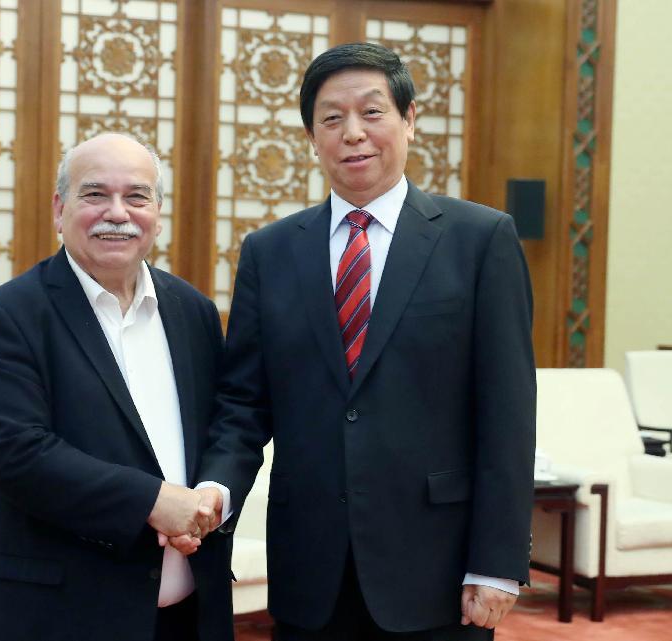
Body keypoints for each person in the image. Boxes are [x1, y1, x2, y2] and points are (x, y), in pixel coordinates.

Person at [193, 43, 536, 640]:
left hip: (437, 565)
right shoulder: (270, 252)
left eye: (372, 112)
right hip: (310, 566)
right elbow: (244, 403)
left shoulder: (480, 240)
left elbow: (507, 412)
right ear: (312, 136)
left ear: (408, 120)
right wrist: (215, 489)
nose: (353, 133)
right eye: (332, 118)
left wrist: (498, 561)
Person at [0, 133, 232, 641]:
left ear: (157, 213)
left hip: (187, 614)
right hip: (58, 615)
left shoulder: (193, 311)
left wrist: (210, 497)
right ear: (59, 210)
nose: (117, 213)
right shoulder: (9, 314)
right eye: (95, 194)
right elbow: (17, 454)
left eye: (136, 196)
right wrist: (153, 502)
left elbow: (224, 426)